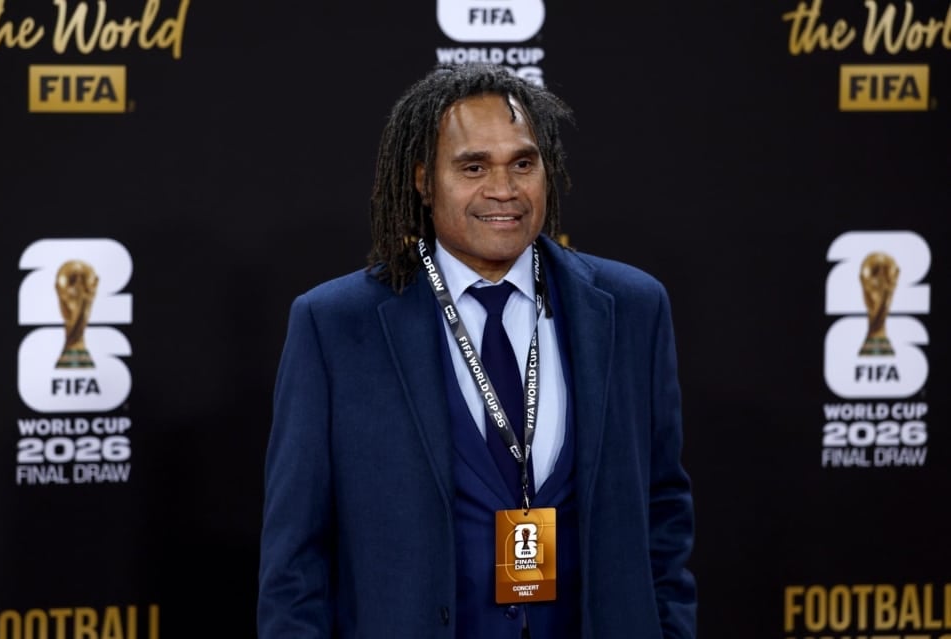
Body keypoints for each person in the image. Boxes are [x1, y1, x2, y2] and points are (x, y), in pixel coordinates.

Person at [258, 63, 696, 638]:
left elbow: (664, 511)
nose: (504, 190)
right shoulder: (336, 326)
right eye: (473, 167)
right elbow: (297, 557)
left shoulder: (633, 307)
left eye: (523, 163)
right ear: (422, 180)